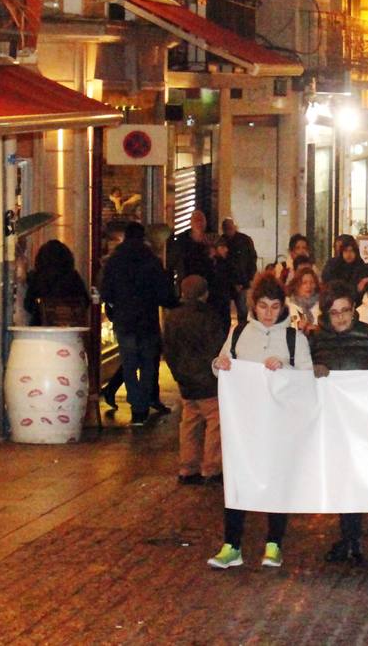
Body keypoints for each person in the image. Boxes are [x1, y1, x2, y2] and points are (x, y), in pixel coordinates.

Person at [206, 276, 302, 570]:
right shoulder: (239, 333)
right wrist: (218, 365)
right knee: (237, 479)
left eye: (274, 307)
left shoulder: (294, 338)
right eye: (263, 306)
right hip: (244, 423)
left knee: (276, 481)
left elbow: (306, 378)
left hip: (278, 424)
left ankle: (274, 543)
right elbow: (222, 365)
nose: (269, 313)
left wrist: (284, 369)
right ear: (254, 306)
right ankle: (231, 544)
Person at [311, 285, 368, 565]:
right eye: (334, 312)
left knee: (355, 479)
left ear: (354, 310)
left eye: (345, 311)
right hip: (332, 421)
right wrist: (312, 370)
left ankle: (352, 536)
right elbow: (299, 370)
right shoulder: (316, 340)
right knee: (341, 479)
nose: (340, 318)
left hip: (363, 420)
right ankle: (350, 536)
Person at [99, 222, 177, 425]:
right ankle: (142, 406)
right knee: (148, 364)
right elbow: (164, 293)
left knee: (129, 364)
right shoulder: (151, 260)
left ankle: (136, 406)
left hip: (124, 320)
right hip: (147, 321)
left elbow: (105, 291)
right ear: (143, 237)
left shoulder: (115, 260)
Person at [162, 275, 228, 486]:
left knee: (189, 422)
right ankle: (212, 468)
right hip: (207, 381)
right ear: (204, 293)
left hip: (186, 382)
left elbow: (169, 350)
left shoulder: (172, 317)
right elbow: (216, 348)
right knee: (214, 423)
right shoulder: (208, 317)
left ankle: (187, 468)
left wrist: (178, 374)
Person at [23, 239, 89, 324]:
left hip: (42, 327)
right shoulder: (73, 277)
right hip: (69, 327)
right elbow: (85, 302)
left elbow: (28, 304)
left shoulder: (39, 277)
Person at [167, 210, 217, 286]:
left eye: (201, 220)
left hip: (208, 283)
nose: (199, 223)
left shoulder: (214, 239)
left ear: (205, 222)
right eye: (196, 220)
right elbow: (172, 261)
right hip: (187, 283)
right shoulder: (182, 241)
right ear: (191, 223)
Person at [220, 218, 259, 300]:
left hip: (242, 280)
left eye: (230, 227)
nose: (228, 230)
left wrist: (249, 278)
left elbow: (252, 259)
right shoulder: (221, 241)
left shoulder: (245, 240)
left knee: (242, 308)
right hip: (227, 282)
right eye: (226, 228)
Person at [286, 266, 322, 331]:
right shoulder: (288, 306)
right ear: (296, 285)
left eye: (312, 282)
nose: (309, 286)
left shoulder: (322, 305)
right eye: (304, 283)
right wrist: (298, 328)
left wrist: (317, 330)